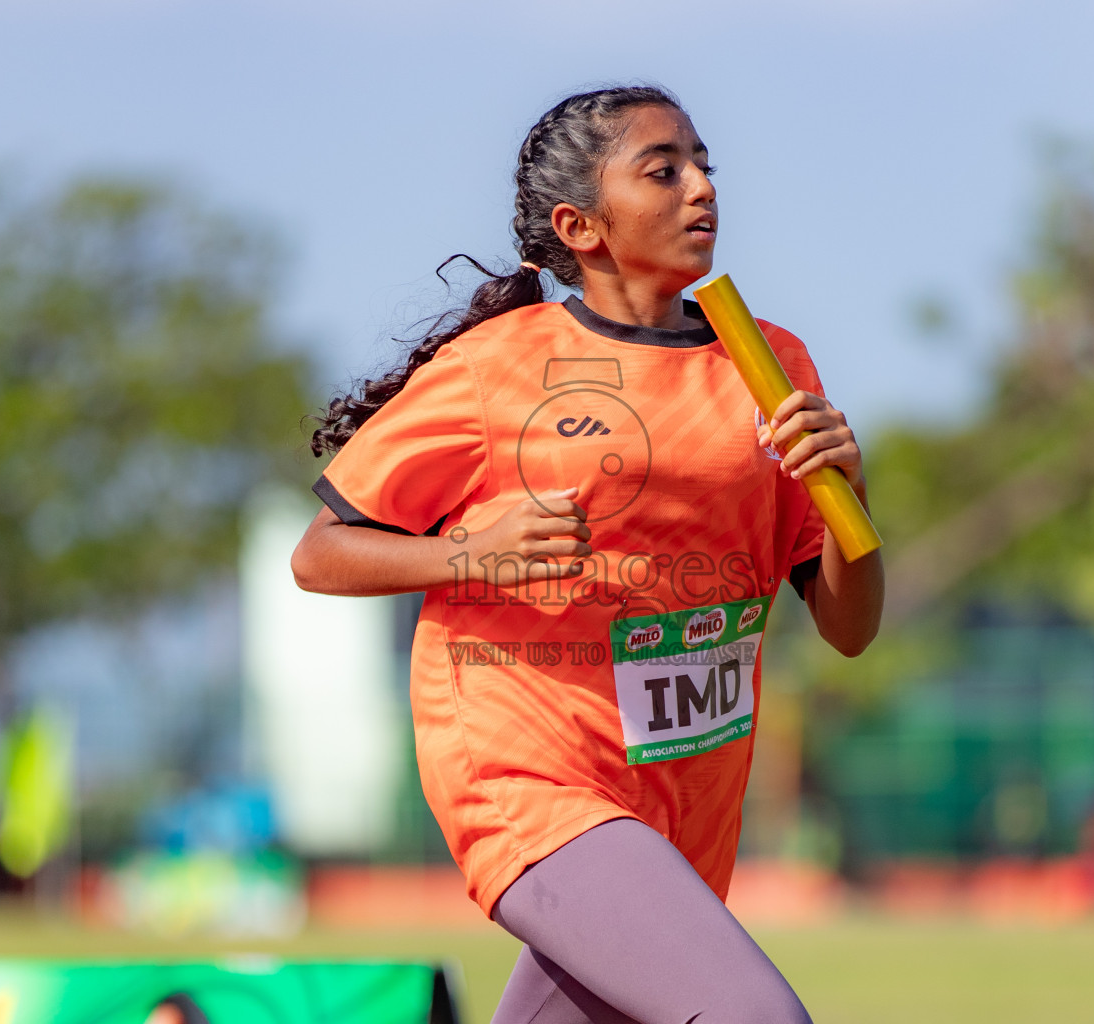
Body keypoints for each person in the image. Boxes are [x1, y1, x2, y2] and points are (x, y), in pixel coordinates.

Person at [292, 85, 884, 1024]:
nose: (702, 190)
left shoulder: (770, 365)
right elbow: (319, 555)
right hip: (527, 776)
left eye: (704, 166)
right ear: (581, 225)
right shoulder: (495, 368)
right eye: (664, 170)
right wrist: (468, 554)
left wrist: (845, 490)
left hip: (686, 794)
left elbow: (850, 629)